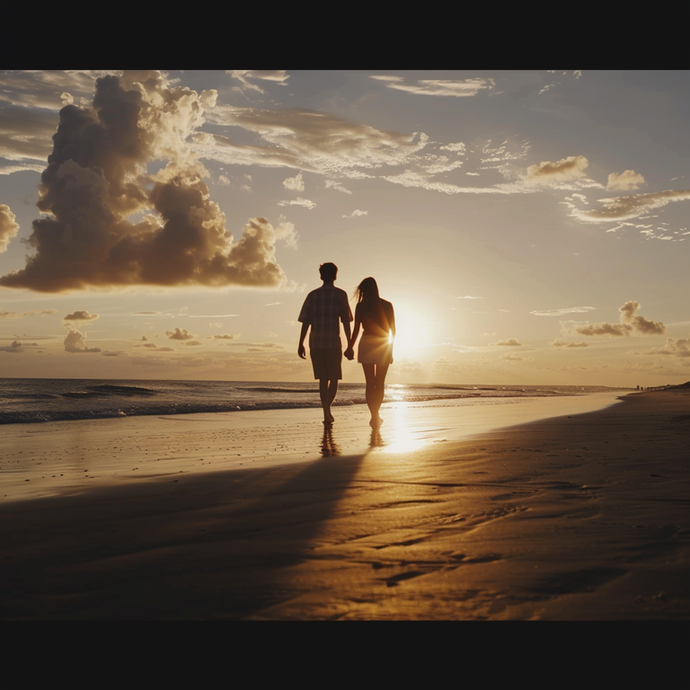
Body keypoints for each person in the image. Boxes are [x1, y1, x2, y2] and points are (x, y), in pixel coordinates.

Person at [298, 262, 353, 425]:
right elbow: (346, 322)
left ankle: (325, 411)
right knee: (334, 378)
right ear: (335, 275)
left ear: (321, 276)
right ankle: (327, 410)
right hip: (333, 343)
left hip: (315, 343)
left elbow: (305, 322)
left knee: (323, 379)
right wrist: (350, 344)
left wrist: (301, 343)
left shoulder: (312, 295)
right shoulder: (340, 295)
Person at [344, 277, 395, 428]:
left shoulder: (361, 306)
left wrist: (350, 347)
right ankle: (375, 415)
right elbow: (393, 331)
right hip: (383, 343)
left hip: (366, 343)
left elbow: (356, 330)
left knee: (370, 383)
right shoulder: (387, 305)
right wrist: (390, 350)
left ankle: (374, 415)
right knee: (379, 383)